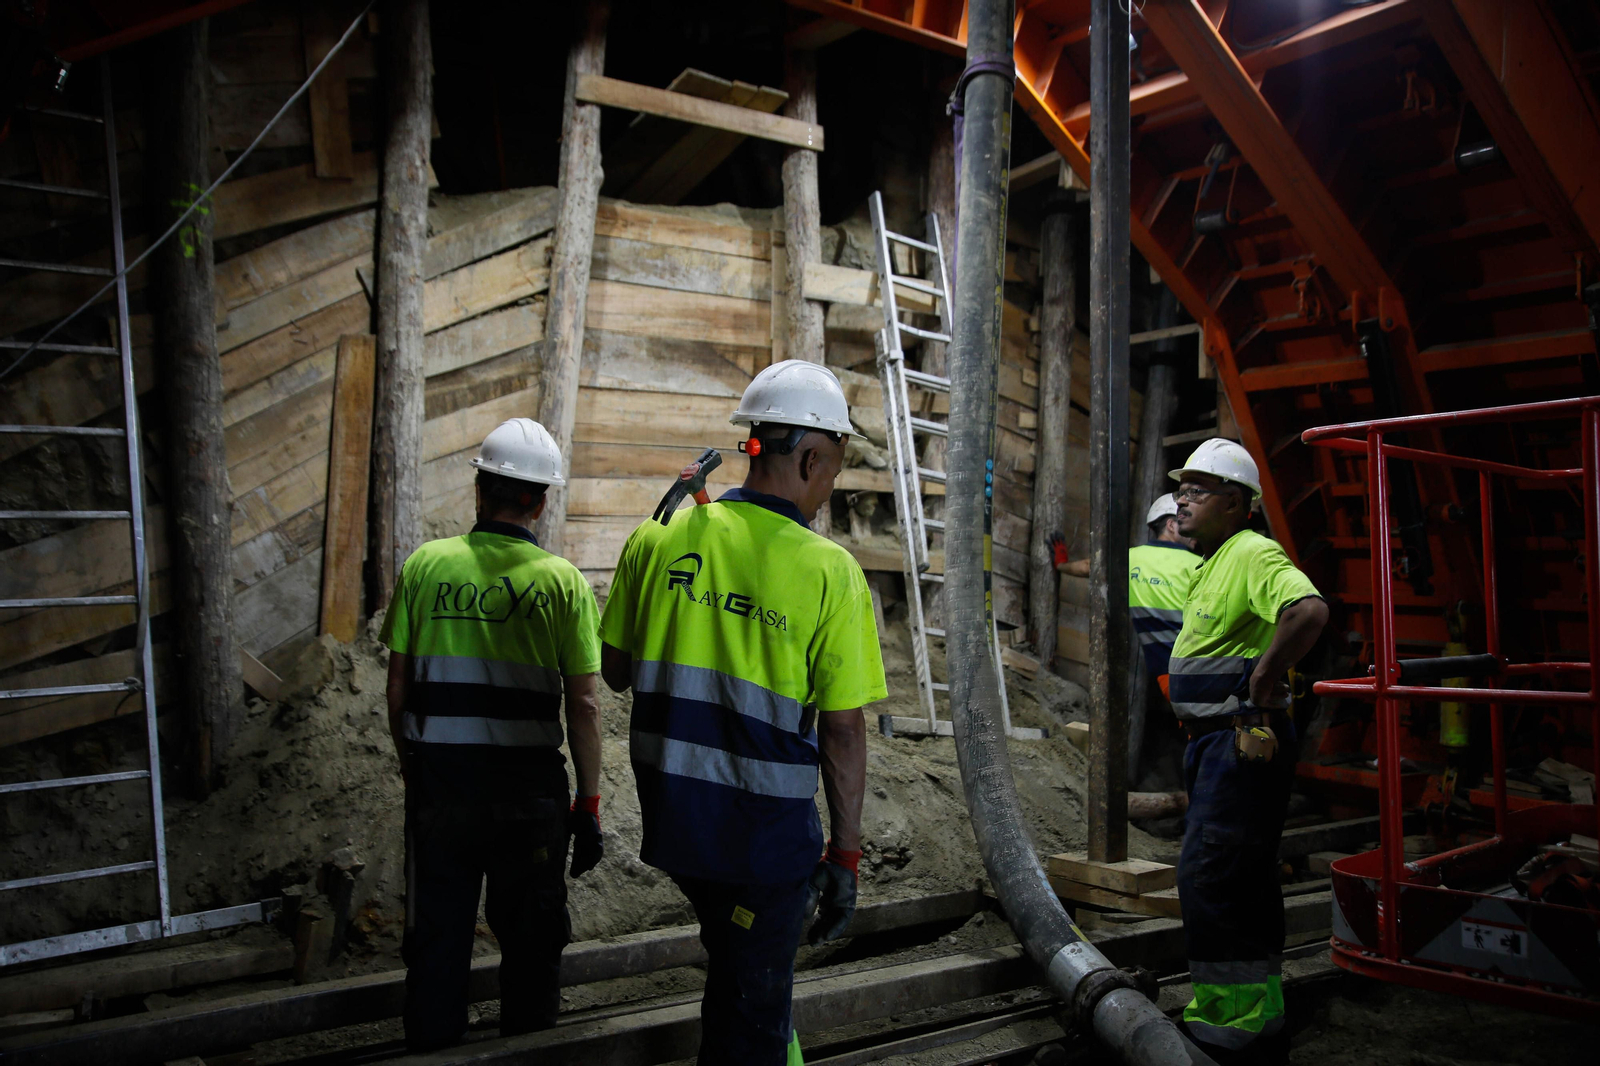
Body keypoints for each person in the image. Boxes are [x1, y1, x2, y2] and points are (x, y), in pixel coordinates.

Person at [598, 360, 887, 1066]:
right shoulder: (830, 572)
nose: (829, 489)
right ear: (812, 457)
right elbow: (844, 732)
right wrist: (845, 857)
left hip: (677, 824)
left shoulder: (660, 534)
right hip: (761, 841)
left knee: (739, 974)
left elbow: (614, 672)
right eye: (832, 473)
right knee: (753, 1008)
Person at [381, 418, 605, 1052]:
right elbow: (584, 704)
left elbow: (396, 689)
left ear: (479, 489)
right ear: (541, 500)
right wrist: (587, 805)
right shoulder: (562, 582)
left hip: (442, 783)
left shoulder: (425, 566)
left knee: (437, 939)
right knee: (532, 941)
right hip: (528, 794)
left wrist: (412, 767)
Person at [1166, 438, 1329, 1064]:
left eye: (1198, 490)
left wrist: (1264, 679)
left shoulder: (1252, 552)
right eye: (1182, 488)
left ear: (1236, 504)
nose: (1183, 498)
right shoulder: (1214, 560)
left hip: (1240, 740)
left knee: (1210, 875)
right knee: (1245, 876)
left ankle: (1222, 1026)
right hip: (1218, 744)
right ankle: (1258, 1011)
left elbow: (1309, 612)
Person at [1048, 494, 1197, 696]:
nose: (1194, 532)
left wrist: (1061, 564)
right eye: (1187, 522)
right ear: (1171, 525)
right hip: (1203, 669)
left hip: (1168, 676)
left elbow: (1086, 567)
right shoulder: (1198, 565)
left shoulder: (1130, 559)